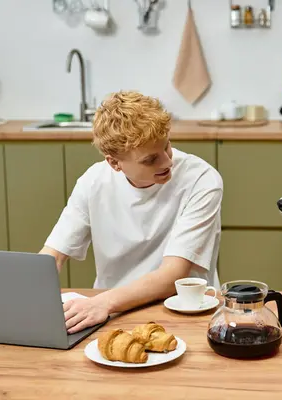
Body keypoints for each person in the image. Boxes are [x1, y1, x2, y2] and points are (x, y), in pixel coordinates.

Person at [40, 91, 223, 334]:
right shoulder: (93, 182)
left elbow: (173, 276)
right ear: (115, 163)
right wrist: (31, 297)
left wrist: (102, 303)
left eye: (167, 146)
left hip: (182, 312)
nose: (167, 162)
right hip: (112, 315)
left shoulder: (202, 179)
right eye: (151, 160)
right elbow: (53, 255)